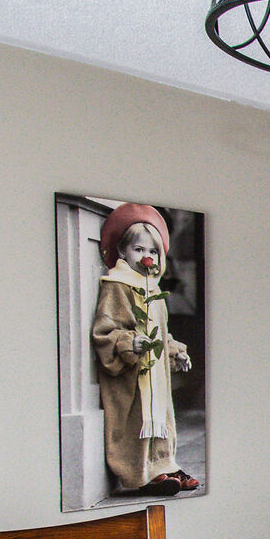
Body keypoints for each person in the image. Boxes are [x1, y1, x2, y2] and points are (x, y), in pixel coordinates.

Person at [92, 203, 198, 496]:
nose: (146, 256)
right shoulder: (118, 285)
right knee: (138, 419)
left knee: (161, 416)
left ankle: (164, 464)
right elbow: (105, 330)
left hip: (154, 375)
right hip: (132, 372)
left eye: (152, 251)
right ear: (123, 251)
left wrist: (175, 352)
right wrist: (128, 343)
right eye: (138, 249)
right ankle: (143, 472)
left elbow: (161, 332)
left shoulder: (153, 288)